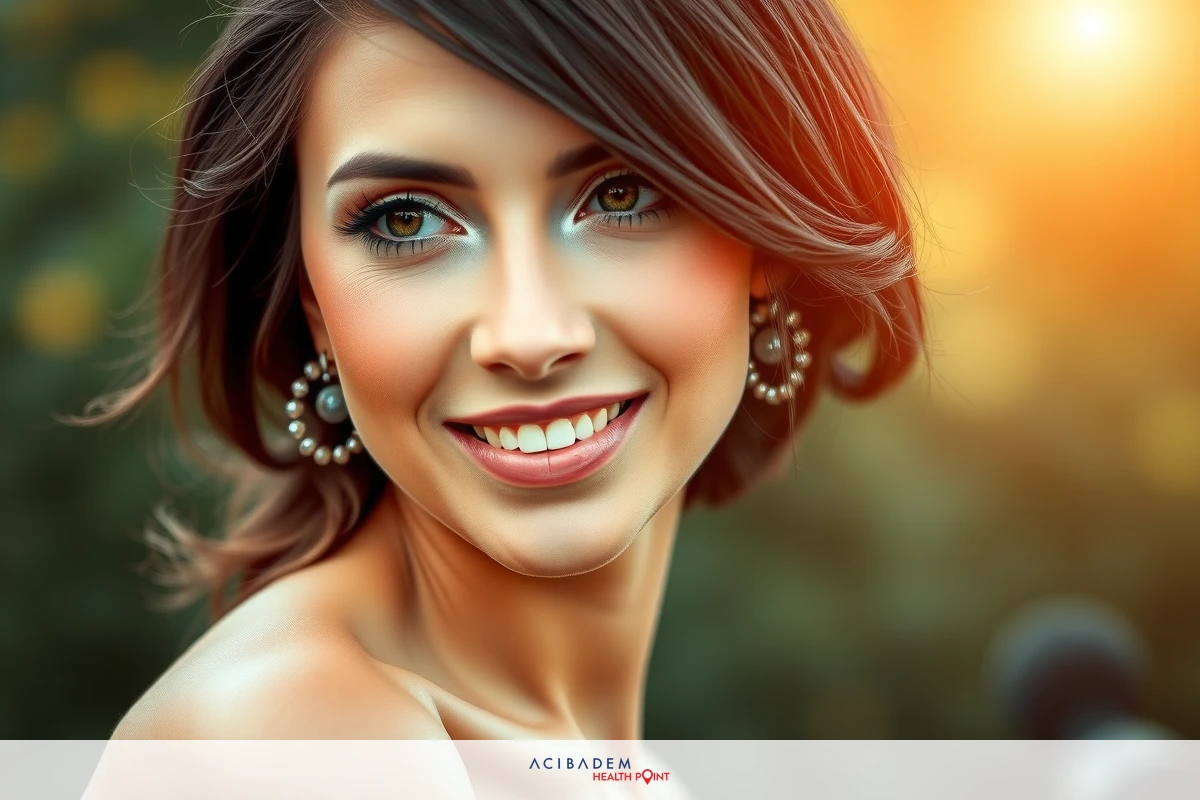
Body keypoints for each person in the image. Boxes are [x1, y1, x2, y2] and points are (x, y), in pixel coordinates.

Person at [86, 0, 924, 740]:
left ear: (766, 233)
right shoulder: (303, 740)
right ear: (312, 298)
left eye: (623, 195)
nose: (529, 335)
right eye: (407, 220)